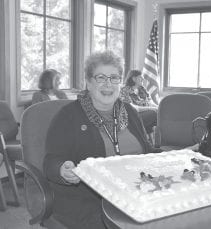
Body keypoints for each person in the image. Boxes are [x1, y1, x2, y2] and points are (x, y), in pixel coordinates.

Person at [43, 51, 162, 229]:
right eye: (100, 77)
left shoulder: (129, 111)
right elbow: (51, 160)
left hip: (137, 193)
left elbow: (147, 152)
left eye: (114, 77)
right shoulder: (68, 116)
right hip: (90, 200)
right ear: (89, 83)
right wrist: (63, 169)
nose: (108, 84)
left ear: (120, 83)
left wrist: (182, 154)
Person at [120, 69, 158, 134]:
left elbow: (150, 102)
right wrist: (153, 108)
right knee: (153, 113)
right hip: (131, 118)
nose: (143, 79)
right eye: (141, 77)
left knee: (161, 114)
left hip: (144, 114)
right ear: (134, 79)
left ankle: (153, 140)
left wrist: (159, 108)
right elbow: (133, 108)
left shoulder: (142, 89)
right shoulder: (124, 90)